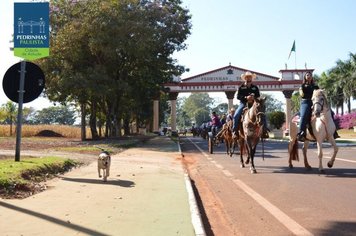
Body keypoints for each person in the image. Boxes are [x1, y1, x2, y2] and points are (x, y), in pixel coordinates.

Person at [296, 72, 339, 142]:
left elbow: (320, 93)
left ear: (312, 77)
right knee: (304, 115)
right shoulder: (302, 86)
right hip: (306, 102)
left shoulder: (315, 87)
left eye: (310, 75)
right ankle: (301, 133)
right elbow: (302, 95)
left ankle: (334, 132)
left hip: (316, 102)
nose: (309, 76)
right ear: (305, 77)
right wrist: (313, 95)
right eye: (307, 75)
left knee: (330, 112)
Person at [232, 71, 269, 138]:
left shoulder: (255, 87)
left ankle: (264, 130)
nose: (249, 78)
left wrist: (253, 97)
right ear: (245, 78)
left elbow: (258, 95)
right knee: (236, 115)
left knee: (262, 113)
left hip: (254, 104)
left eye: (250, 77)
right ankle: (235, 131)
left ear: (251, 79)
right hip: (243, 103)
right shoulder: (241, 87)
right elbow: (238, 97)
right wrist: (246, 97)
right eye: (247, 77)